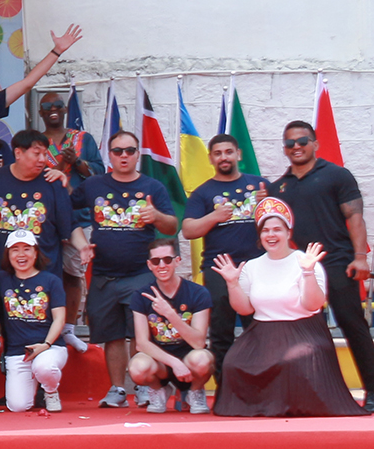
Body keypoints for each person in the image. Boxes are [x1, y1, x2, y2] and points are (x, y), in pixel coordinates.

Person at [211, 197, 369, 417]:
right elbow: (245, 310)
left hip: (304, 331)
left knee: (295, 360)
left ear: (288, 233)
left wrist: (307, 272)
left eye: (277, 229)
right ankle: (258, 409)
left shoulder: (306, 261)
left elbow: (312, 304)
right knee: (233, 362)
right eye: (265, 230)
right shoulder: (252, 266)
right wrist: (232, 283)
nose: (271, 235)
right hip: (262, 333)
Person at [271, 120, 374, 413]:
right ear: (284, 149)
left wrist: (360, 257)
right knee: (309, 332)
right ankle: (321, 391)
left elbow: (355, 217)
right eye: (290, 143)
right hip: (299, 267)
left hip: (337, 261)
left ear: (315, 143)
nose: (296, 146)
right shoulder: (277, 187)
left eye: (302, 140)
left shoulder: (337, 175)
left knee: (351, 323)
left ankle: (372, 390)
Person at [71, 131, 178, 408]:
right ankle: (118, 389)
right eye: (118, 151)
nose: (124, 156)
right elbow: (66, 208)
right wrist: (79, 240)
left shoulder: (153, 187)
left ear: (137, 153)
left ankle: (142, 387)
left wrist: (156, 216)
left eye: (129, 150)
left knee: (140, 335)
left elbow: (172, 227)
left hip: (140, 274)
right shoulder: (94, 185)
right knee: (112, 335)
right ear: (109, 154)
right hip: (104, 275)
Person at [183, 134, 268, 375]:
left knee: (260, 329)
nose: (224, 157)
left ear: (238, 154)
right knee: (222, 332)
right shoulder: (202, 193)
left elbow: (282, 223)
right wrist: (214, 217)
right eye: (218, 153)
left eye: (229, 152)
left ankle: (262, 385)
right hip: (218, 268)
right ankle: (225, 390)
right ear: (211, 158)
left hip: (257, 268)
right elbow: (188, 230)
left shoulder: (260, 185)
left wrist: (268, 203)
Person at [0, 222, 68, 413]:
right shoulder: (3, 279)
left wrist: (45, 344)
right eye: (15, 250)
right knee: (18, 406)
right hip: (19, 353)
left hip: (49, 347)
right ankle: (35, 381)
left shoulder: (51, 280)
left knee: (44, 366)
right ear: (8, 255)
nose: (21, 255)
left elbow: (59, 318)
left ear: (36, 253)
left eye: (27, 249)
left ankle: (51, 391)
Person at [128, 238, 215, 414]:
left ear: (177, 261)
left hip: (190, 358)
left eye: (167, 259)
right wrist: (174, 363)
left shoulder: (198, 293)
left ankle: (194, 391)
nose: (162, 265)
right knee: (137, 367)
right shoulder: (141, 295)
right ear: (149, 265)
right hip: (159, 362)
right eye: (155, 261)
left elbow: (199, 342)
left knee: (203, 359)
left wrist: (170, 314)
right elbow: (142, 344)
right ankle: (159, 389)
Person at [0, 131, 73, 271]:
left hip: (45, 274)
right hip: (2, 273)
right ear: (18, 154)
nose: (42, 159)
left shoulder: (53, 181)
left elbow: (66, 227)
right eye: (36, 154)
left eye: (45, 154)